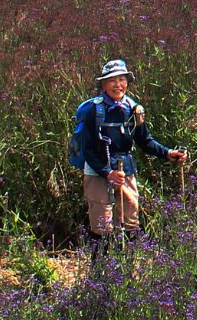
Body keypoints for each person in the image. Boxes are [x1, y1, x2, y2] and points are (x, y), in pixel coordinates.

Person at [71, 58, 187, 245]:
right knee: (101, 228)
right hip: (97, 172)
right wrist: (108, 173)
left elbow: (145, 141)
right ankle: (101, 272)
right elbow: (89, 151)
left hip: (125, 171)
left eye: (122, 79)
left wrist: (167, 153)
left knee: (131, 223)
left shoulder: (133, 109)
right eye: (112, 80)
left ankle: (129, 271)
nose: (118, 85)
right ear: (103, 84)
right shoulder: (94, 111)